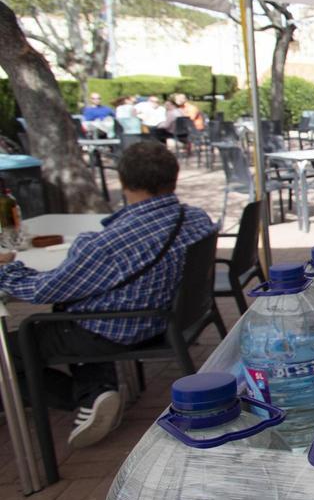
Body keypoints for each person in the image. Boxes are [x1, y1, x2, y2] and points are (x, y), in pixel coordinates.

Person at [0, 142, 216, 448]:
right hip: (167, 316)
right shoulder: (196, 218)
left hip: (117, 327)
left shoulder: (112, 242)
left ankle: (83, 396)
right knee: (72, 307)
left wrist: (8, 271)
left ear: (124, 183)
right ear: (174, 178)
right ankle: (97, 391)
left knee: (11, 349)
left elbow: (44, 290)